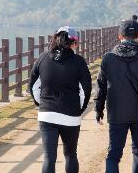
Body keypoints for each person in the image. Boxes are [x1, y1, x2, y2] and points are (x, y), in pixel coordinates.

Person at [95, 20, 138, 173]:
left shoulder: (108, 59)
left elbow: (101, 87)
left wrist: (99, 110)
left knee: (113, 155)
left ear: (119, 36)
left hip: (117, 113)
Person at [29, 26, 92, 173]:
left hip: (47, 114)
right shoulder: (79, 62)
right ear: (74, 43)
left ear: (55, 39)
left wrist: (42, 103)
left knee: (48, 158)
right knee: (70, 155)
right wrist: (78, 109)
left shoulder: (43, 58)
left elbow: (33, 87)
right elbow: (85, 91)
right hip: (71, 115)